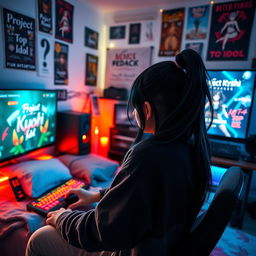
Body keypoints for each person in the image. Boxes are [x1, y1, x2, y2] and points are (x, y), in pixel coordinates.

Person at [26, 49, 213, 256]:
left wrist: (62, 217)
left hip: (130, 249)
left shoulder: (148, 155)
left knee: (39, 238)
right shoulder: (191, 147)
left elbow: (101, 232)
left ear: (147, 109)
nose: (133, 113)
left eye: (134, 107)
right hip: (158, 245)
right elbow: (143, 194)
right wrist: (97, 194)